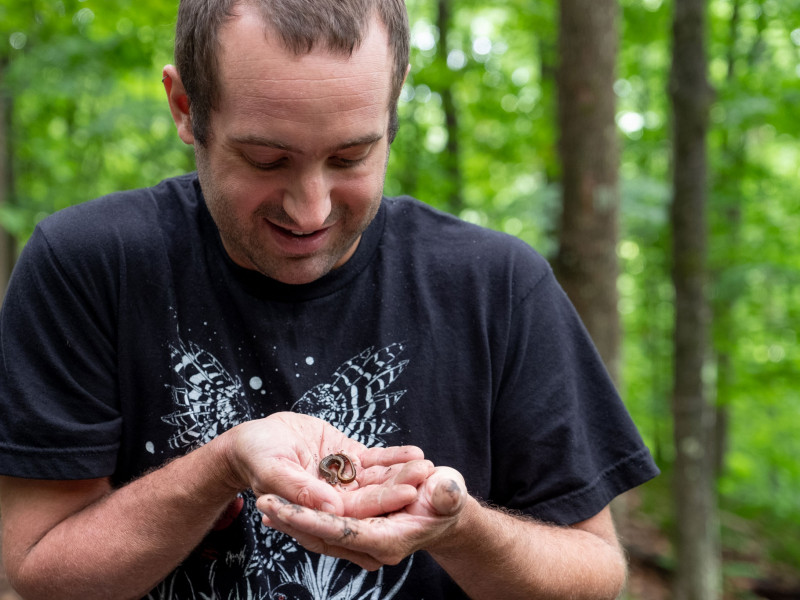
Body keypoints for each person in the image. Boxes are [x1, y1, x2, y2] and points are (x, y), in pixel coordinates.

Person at [0, 0, 659, 598]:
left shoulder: (498, 285)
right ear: (185, 108)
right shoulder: (87, 264)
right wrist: (222, 464)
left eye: (350, 158)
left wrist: (458, 529)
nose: (309, 209)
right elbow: (37, 568)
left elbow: (596, 572)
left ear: (394, 103)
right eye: (265, 160)